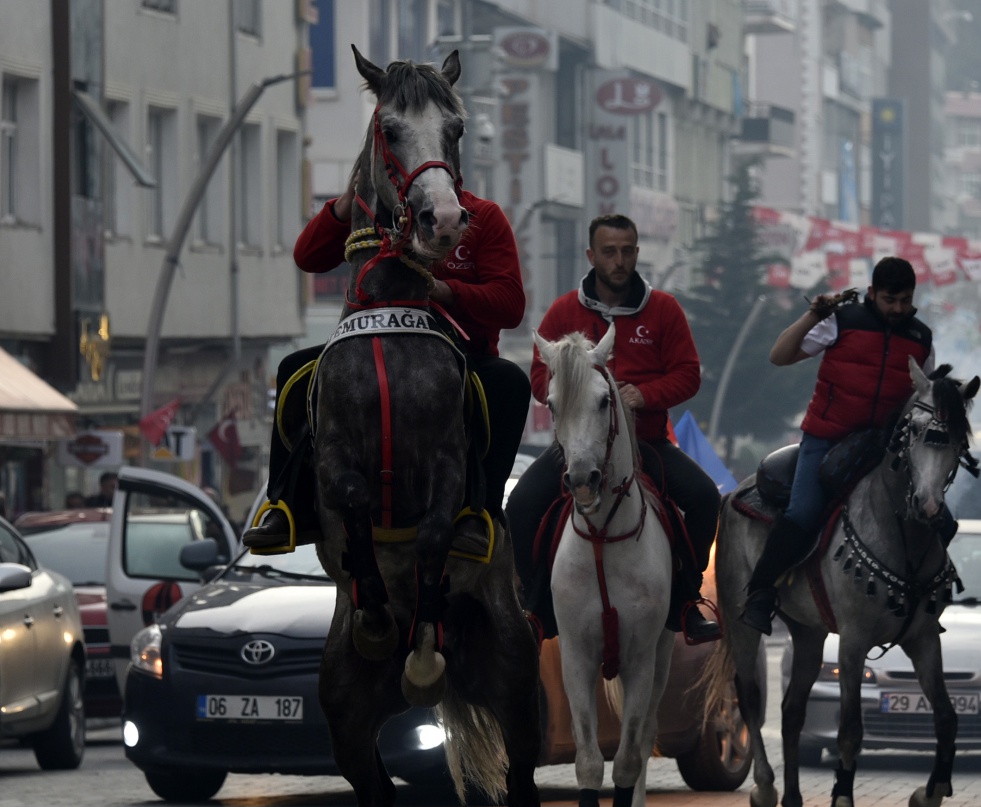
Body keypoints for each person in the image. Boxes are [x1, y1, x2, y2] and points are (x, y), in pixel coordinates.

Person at [242, 175, 531, 553]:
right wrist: (345, 203)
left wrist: (446, 290)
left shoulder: (483, 216)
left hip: (461, 357)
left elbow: (510, 305)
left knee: (510, 383)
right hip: (368, 351)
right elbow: (307, 257)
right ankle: (289, 506)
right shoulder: (373, 217)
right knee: (293, 370)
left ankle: (480, 512)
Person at [504, 213, 722, 645]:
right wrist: (574, 391)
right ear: (591, 255)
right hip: (576, 447)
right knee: (521, 508)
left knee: (704, 498)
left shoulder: (664, 310)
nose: (619, 261)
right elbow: (538, 376)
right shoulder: (564, 310)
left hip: (648, 444)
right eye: (609, 252)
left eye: (626, 251)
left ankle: (685, 597)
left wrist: (645, 394)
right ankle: (534, 604)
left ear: (637, 253)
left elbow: (689, 375)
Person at [739, 256, 943, 635]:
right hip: (826, 438)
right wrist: (812, 316)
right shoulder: (843, 321)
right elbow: (779, 356)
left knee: (932, 514)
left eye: (905, 301)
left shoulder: (920, 338)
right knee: (803, 512)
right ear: (871, 294)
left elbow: (924, 397)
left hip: (884, 449)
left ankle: (925, 597)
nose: (898, 309)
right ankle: (761, 591)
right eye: (889, 300)